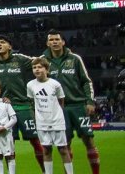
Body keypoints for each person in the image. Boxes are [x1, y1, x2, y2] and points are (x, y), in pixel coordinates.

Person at [0, 36, 43, 171]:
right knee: (6, 143)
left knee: (36, 140)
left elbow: (39, 62)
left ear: (10, 46)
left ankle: (45, 170)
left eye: (2, 42)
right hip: (2, 108)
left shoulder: (19, 59)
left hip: (23, 105)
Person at [41, 31, 98, 174]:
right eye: (51, 40)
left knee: (89, 141)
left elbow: (86, 81)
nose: (54, 42)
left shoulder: (75, 59)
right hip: (58, 109)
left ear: (63, 42)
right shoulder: (43, 61)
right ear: (47, 43)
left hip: (78, 106)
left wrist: (90, 101)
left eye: (57, 39)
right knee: (65, 145)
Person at [27, 58, 73, 174]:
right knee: (46, 150)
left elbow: (61, 101)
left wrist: (56, 114)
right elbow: (32, 102)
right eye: (34, 67)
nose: (37, 69)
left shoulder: (55, 84)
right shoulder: (30, 85)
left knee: (63, 149)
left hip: (56, 121)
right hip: (42, 122)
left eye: (39, 67)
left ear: (46, 69)